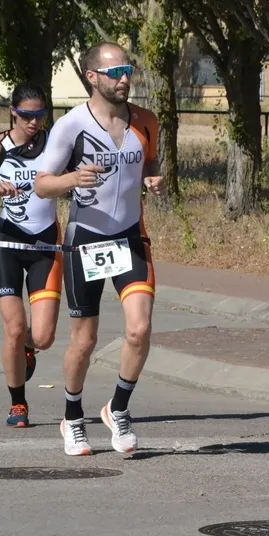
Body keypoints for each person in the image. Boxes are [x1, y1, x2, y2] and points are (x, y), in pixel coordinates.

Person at [35, 42, 164, 456]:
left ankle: (118, 408)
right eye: (115, 72)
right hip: (86, 239)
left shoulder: (145, 121)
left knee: (139, 329)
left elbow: (149, 160)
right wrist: (72, 179)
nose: (124, 79)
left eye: (128, 70)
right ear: (92, 77)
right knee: (84, 340)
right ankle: (72, 417)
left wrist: (152, 177)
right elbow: (42, 184)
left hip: (130, 236)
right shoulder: (71, 125)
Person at [0, 82, 61, 428]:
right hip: (5, 243)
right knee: (15, 327)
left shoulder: (55, 143)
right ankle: (18, 403)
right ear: (13, 113)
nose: (34, 122)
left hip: (45, 244)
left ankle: (28, 349)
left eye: (40, 115)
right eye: (27, 116)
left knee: (43, 336)